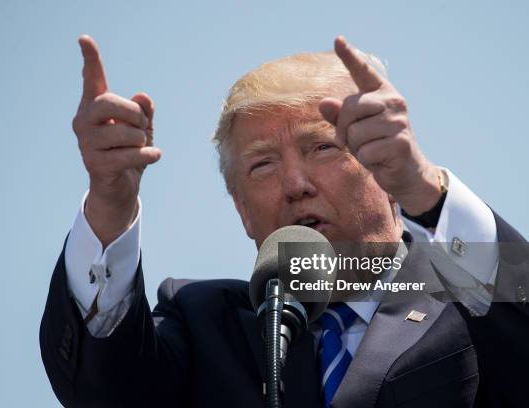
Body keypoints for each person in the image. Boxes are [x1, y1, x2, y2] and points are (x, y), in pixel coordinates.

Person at [40, 35, 529, 407]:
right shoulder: (203, 321)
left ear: (384, 171)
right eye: (263, 165)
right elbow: (102, 389)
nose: (295, 183)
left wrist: (424, 187)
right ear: (241, 210)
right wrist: (111, 200)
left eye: (322, 147)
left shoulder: (469, 301)